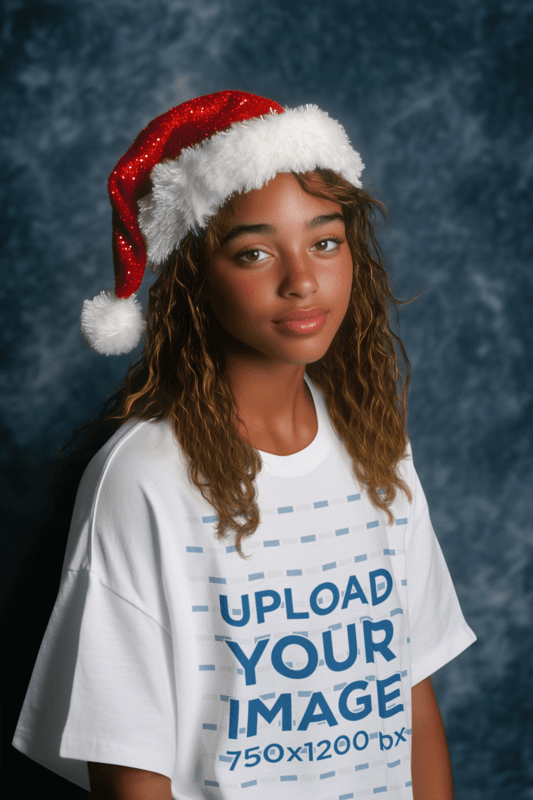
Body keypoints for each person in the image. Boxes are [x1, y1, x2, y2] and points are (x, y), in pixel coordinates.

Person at [12, 90, 477, 800]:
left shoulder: (376, 446)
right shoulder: (141, 479)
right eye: (255, 252)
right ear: (196, 281)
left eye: (324, 241)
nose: (301, 280)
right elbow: (130, 772)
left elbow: (411, 698)